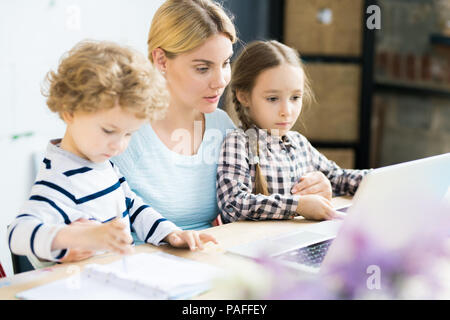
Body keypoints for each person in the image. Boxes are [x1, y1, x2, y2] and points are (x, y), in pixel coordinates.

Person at [7, 40, 217, 267]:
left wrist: (170, 233)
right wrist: (74, 237)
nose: (118, 146)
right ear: (69, 112)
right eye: (109, 131)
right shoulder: (59, 177)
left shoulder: (101, 163)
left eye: (129, 134)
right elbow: (17, 234)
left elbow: (132, 205)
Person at [112, 0, 237, 231]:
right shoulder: (125, 133)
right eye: (203, 68)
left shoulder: (221, 125)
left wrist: (306, 186)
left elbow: (254, 198)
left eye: (226, 63)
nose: (220, 81)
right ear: (161, 60)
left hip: (211, 258)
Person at [217, 40, 370, 223]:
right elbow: (233, 204)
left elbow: (339, 178)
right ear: (244, 96)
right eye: (273, 98)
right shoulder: (238, 143)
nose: (287, 111)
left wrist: (382, 179)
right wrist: (298, 205)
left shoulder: (299, 144)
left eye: (295, 97)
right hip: (257, 246)